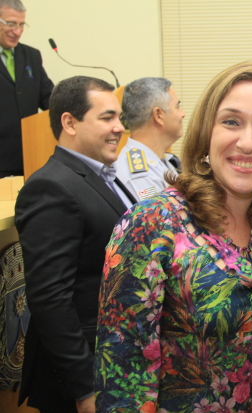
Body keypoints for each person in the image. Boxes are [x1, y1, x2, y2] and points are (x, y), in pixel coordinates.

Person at [94, 62, 252, 413]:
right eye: (231, 121)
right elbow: (122, 379)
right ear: (206, 131)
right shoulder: (154, 222)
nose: (248, 142)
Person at [15, 76, 136, 413]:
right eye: (107, 118)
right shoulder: (51, 188)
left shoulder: (101, 177)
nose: (119, 128)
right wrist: (84, 387)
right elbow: (50, 298)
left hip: (116, 358)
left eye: (119, 118)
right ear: (69, 122)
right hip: (83, 375)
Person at [0, 0, 54, 177]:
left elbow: (49, 98)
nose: (17, 31)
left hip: (30, 156)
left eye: (21, 25)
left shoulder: (31, 56)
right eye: (10, 24)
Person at [116, 77, 185, 201]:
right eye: (177, 107)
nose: (182, 114)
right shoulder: (141, 176)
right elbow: (159, 218)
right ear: (158, 115)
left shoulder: (163, 161)